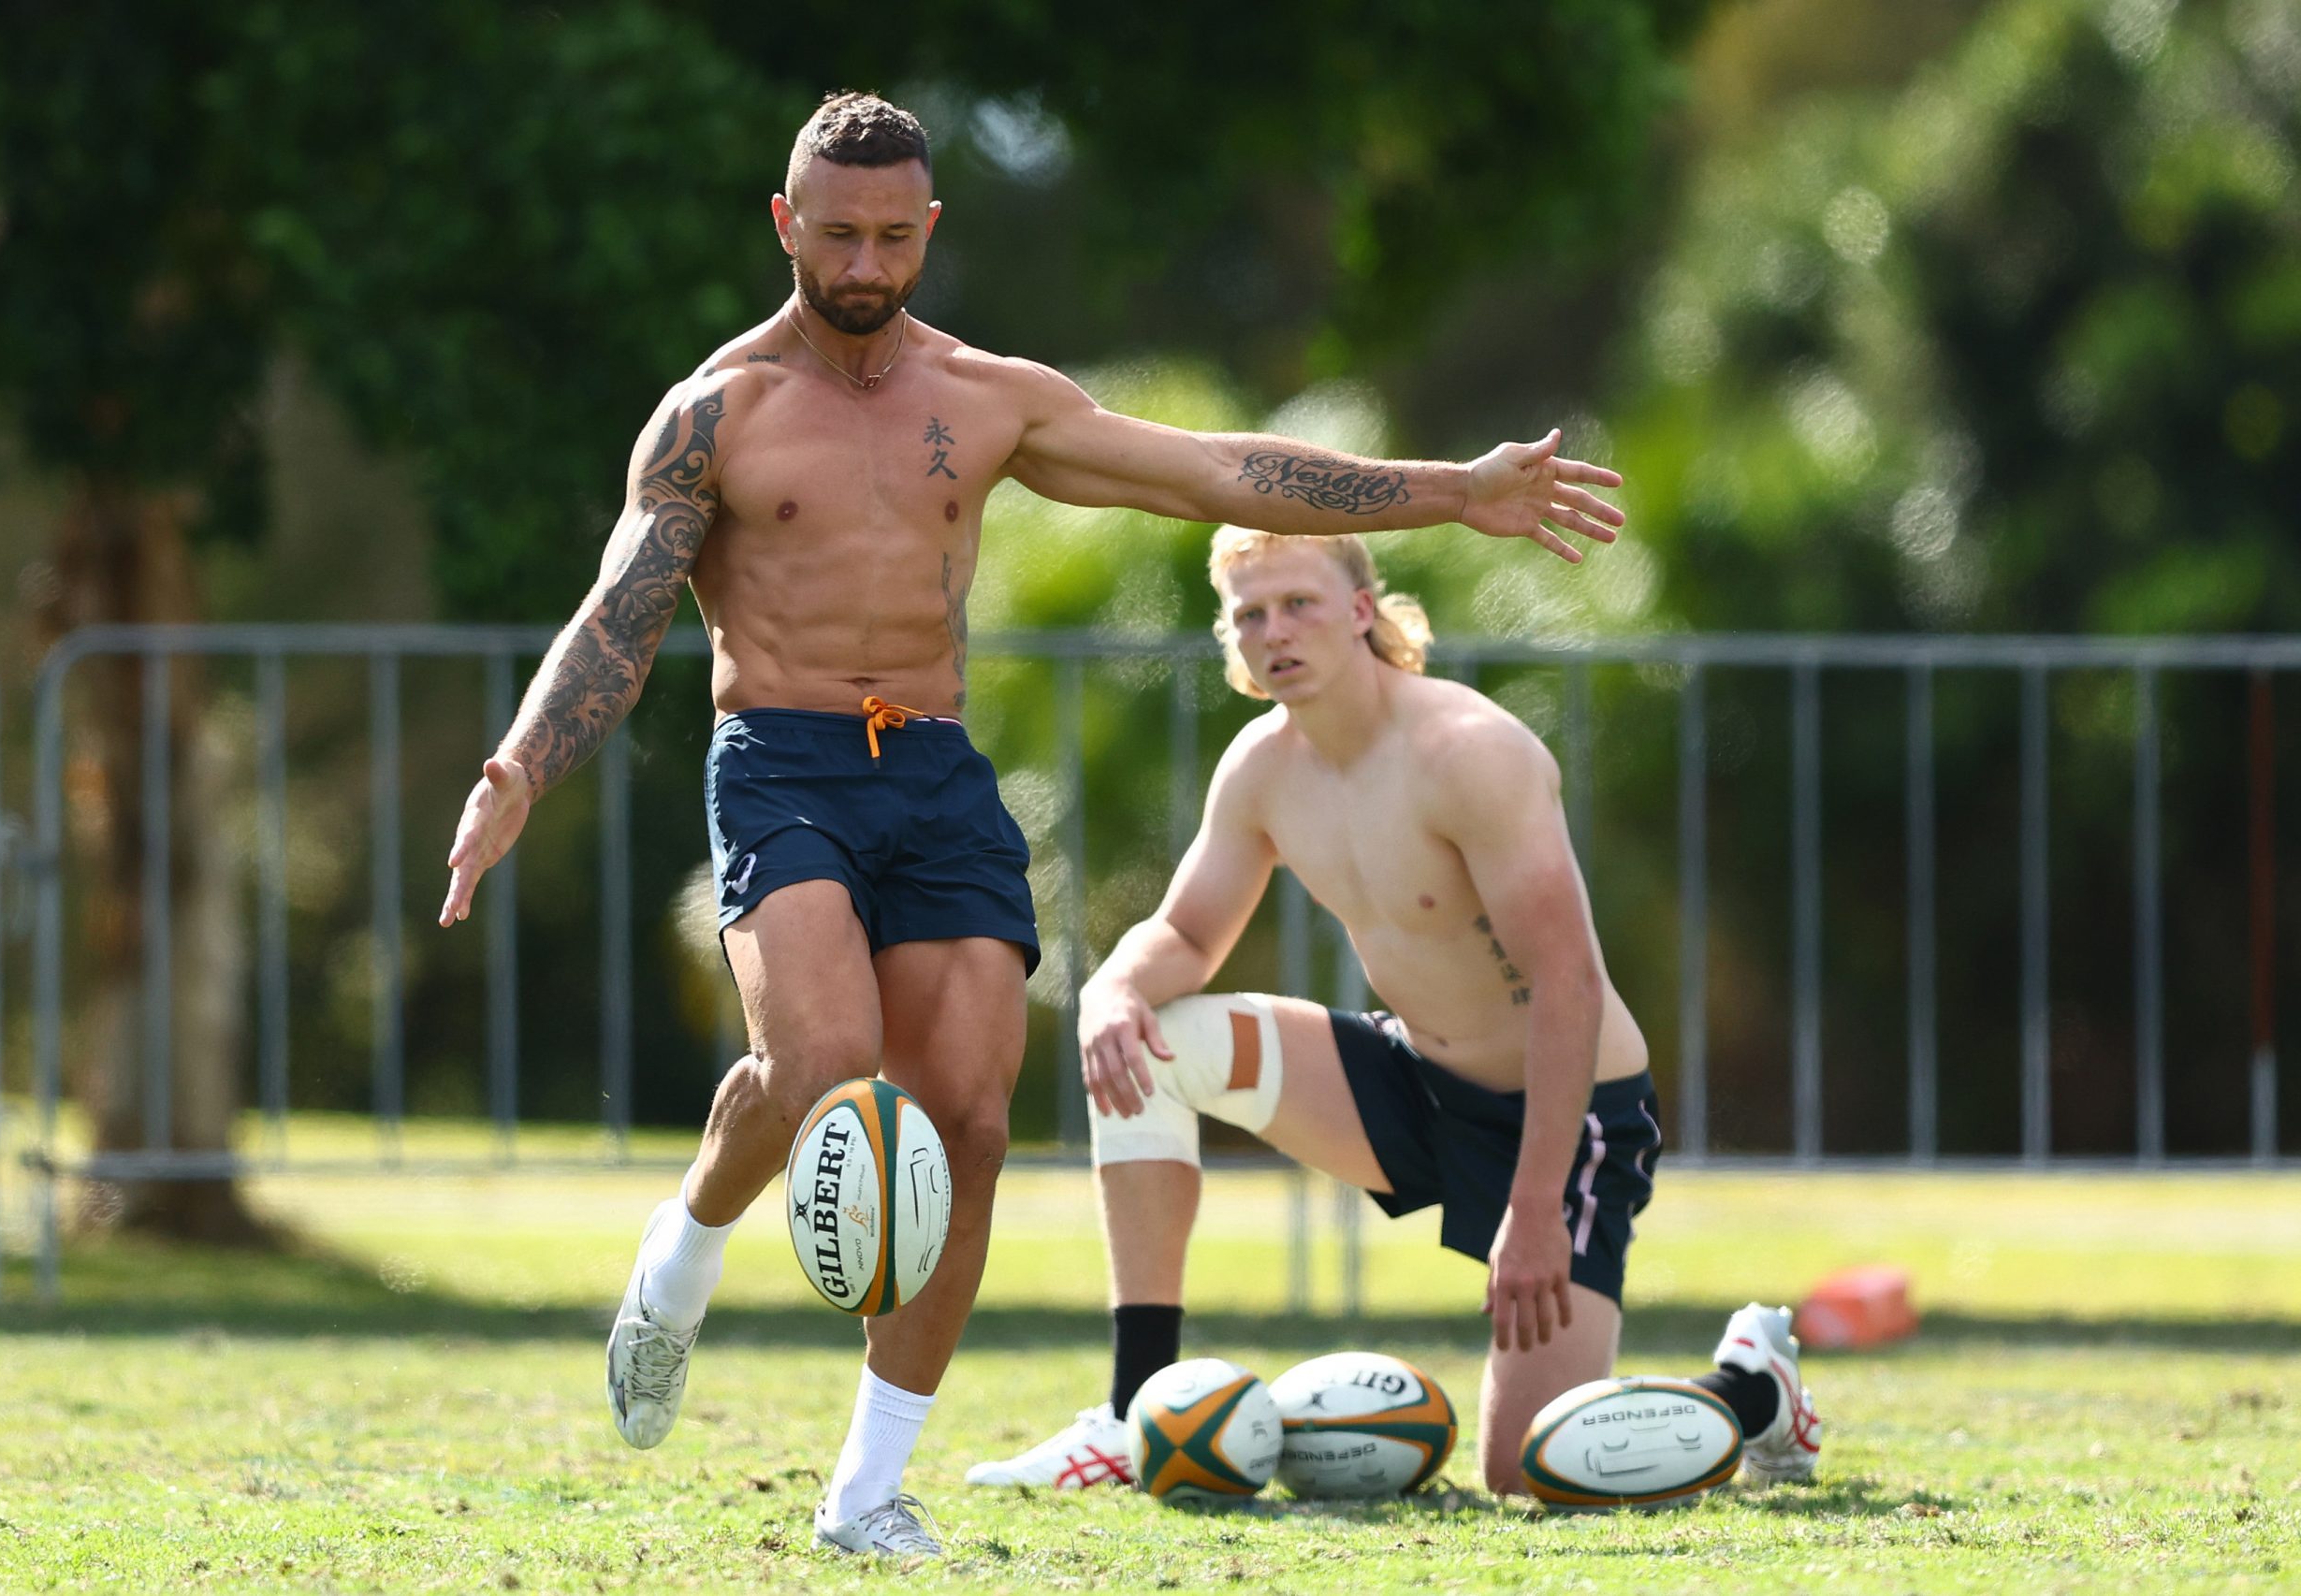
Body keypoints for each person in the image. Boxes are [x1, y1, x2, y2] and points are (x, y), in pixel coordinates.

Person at [435, 91, 1628, 1557]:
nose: (863, 264)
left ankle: (865, 1489)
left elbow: (1213, 470)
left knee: (974, 1125)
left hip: (934, 771)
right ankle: (681, 1257)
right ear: (784, 226)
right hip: (784, 762)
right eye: (835, 234)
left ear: (928, 229)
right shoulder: (714, 413)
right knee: (814, 1061)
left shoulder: (986, 396)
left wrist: (1454, 491)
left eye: (890, 235)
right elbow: (617, 613)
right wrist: (514, 770)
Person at [967, 526, 1823, 1498]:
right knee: (1149, 1039)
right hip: (1414, 1078)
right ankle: (1133, 1413)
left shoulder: (1471, 751)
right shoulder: (1261, 767)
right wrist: (1113, 987)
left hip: (1569, 1117)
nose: (1274, 630)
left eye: (1299, 604)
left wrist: (1535, 1205)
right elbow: (1187, 933)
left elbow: (1568, 982)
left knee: (1529, 1470)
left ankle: (1753, 1388)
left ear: (1362, 611)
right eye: (1250, 613)